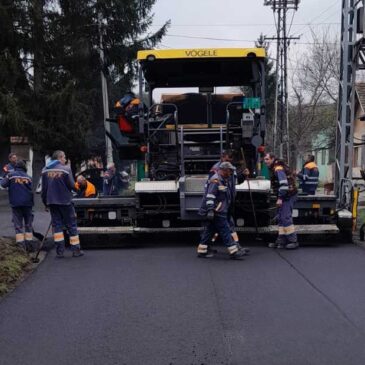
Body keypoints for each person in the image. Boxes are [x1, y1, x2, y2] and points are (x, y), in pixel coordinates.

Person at [197, 162, 246, 259]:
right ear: (224, 170)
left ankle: (202, 251)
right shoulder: (216, 180)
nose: (231, 172)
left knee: (210, 231)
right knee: (225, 230)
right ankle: (233, 252)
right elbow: (210, 196)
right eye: (230, 170)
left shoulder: (224, 180)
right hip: (217, 211)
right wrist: (211, 210)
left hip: (219, 210)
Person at [41, 150, 84, 258]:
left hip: (52, 202)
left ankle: (59, 251)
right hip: (65, 202)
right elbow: (71, 185)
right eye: (64, 157)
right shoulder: (66, 169)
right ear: (60, 157)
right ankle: (76, 250)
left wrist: (46, 203)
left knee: (57, 227)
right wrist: (78, 189)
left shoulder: (45, 170)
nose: (65, 159)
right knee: (71, 225)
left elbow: (44, 189)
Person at [208, 150, 250, 254]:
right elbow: (211, 188)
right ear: (222, 158)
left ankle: (236, 246)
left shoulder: (231, 168)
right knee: (221, 227)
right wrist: (211, 207)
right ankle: (234, 248)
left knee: (225, 226)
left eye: (231, 160)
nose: (229, 162)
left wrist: (243, 176)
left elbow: (234, 182)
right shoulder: (216, 170)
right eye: (227, 160)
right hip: (220, 205)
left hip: (228, 202)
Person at [263, 152, 299, 250]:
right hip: (287, 194)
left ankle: (293, 241)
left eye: (267, 159)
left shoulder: (278, 168)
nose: (265, 161)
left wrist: (280, 198)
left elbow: (283, 185)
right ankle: (281, 241)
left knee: (285, 217)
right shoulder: (276, 167)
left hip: (288, 195)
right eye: (265, 159)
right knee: (281, 218)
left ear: (273, 158)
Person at [0, 160, 35, 252]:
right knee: (28, 224)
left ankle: (21, 247)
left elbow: (2, 185)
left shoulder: (11, 175)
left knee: (18, 225)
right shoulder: (29, 177)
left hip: (16, 204)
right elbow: (31, 191)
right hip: (28, 204)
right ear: (24, 167)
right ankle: (30, 245)